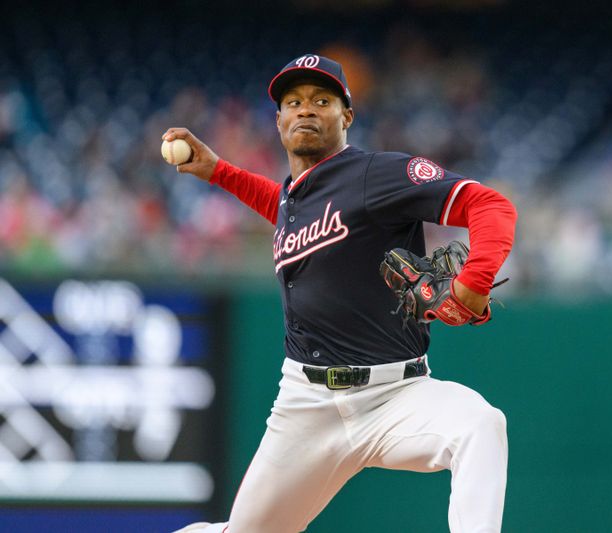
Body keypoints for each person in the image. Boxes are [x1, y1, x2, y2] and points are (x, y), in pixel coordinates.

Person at [166, 54, 517, 533]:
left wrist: (474, 281)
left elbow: (489, 205)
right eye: (293, 102)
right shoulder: (297, 195)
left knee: (481, 425)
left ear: (347, 116)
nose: (305, 109)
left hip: (397, 394)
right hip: (306, 407)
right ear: (279, 120)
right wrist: (220, 172)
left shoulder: (378, 174)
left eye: (321, 100)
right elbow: (284, 208)